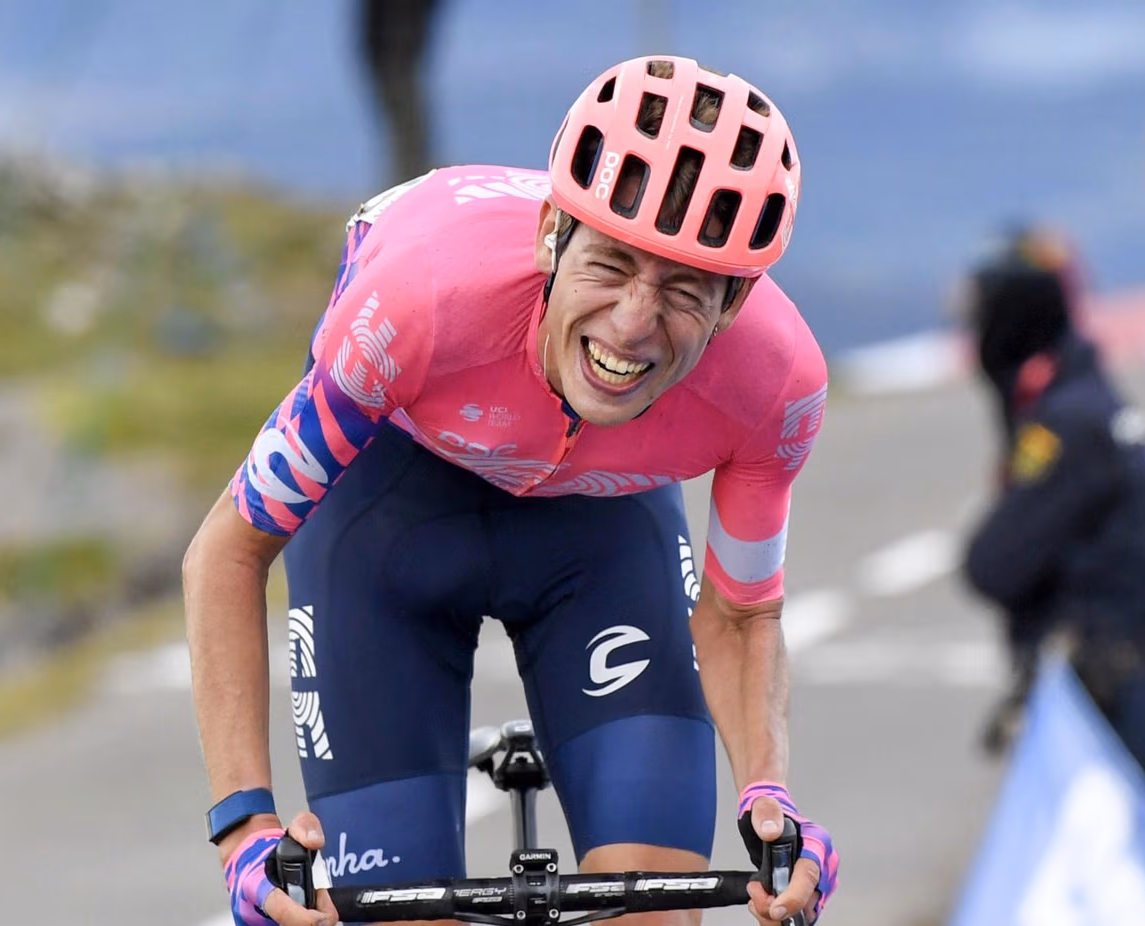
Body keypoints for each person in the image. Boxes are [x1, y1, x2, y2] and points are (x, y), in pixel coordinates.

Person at [184, 56, 838, 926]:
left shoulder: (777, 382)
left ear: (733, 305)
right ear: (550, 239)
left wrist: (770, 795)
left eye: (684, 289)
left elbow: (743, 613)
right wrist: (244, 827)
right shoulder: (414, 301)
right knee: (393, 913)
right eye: (609, 266)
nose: (634, 323)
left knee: (651, 903)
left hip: (597, 539)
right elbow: (229, 550)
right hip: (391, 513)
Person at [958, 227, 1145, 787]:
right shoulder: (1090, 402)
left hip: (1100, 709)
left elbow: (993, 564)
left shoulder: (1068, 428)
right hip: (1125, 693)